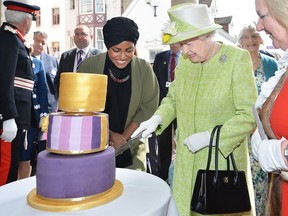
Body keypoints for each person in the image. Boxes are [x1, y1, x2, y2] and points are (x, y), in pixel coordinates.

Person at [132, 3, 257, 216]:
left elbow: (248, 116)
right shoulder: (187, 63)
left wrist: (211, 138)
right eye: (181, 45)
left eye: (188, 43)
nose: (185, 51)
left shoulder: (237, 60)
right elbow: (173, 99)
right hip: (185, 164)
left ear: (208, 36)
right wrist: (157, 118)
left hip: (220, 168)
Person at [79, 17, 159, 171]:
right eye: (116, 50)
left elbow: (148, 108)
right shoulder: (90, 66)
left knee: (131, 190)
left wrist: (123, 138)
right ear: (108, 46)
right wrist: (109, 134)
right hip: (94, 146)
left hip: (133, 147)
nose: (122, 56)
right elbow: (81, 108)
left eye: (129, 50)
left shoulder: (144, 70)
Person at [251, 0, 288, 215]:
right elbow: (259, 131)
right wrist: (274, 152)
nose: (258, 27)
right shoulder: (284, 67)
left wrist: (276, 153)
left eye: (262, 15)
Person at [238, 23, 279, 216]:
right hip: (239, 131)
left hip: (260, 132)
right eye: (245, 37)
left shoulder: (271, 63)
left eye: (254, 36)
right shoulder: (235, 63)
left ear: (260, 39)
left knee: (261, 178)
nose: (250, 41)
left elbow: (276, 98)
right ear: (239, 42)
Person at [0, 0, 40, 186]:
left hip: (16, 114)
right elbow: (4, 79)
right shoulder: (8, 40)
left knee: (11, 166)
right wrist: (8, 116)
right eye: (32, 20)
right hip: (10, 116)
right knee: (6, 167)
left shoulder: (13, 39)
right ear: (26, 21)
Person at [152, 43, 181, 181]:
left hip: (183, 108)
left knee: (182, 143)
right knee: (163, 144)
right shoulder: (159, 57)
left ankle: (180, 176)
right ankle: (162, 177)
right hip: (164, 106)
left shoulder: (189, 57)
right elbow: (155, 82)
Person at [18, 51, 49, 179]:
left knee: (26, 157)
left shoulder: (37, 63)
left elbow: (42, 89)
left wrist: (43, 114)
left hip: (31, 117)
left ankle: (20, 189)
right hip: (13, 115)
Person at [54, 25, 102, 96]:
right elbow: (58, 80)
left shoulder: (99, 55)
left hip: (91, 100)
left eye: (83, 34)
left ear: (91, 37)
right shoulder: (66, 56)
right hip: (69, 100)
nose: (79, 37)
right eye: (77, 34)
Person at [32, 31, 59, 113]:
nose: (40, 44)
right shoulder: (25, 58)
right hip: (31, 107)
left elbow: (56, 82)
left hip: (50, 107)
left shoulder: (52, 60)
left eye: (43, 43)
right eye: (37, 41)